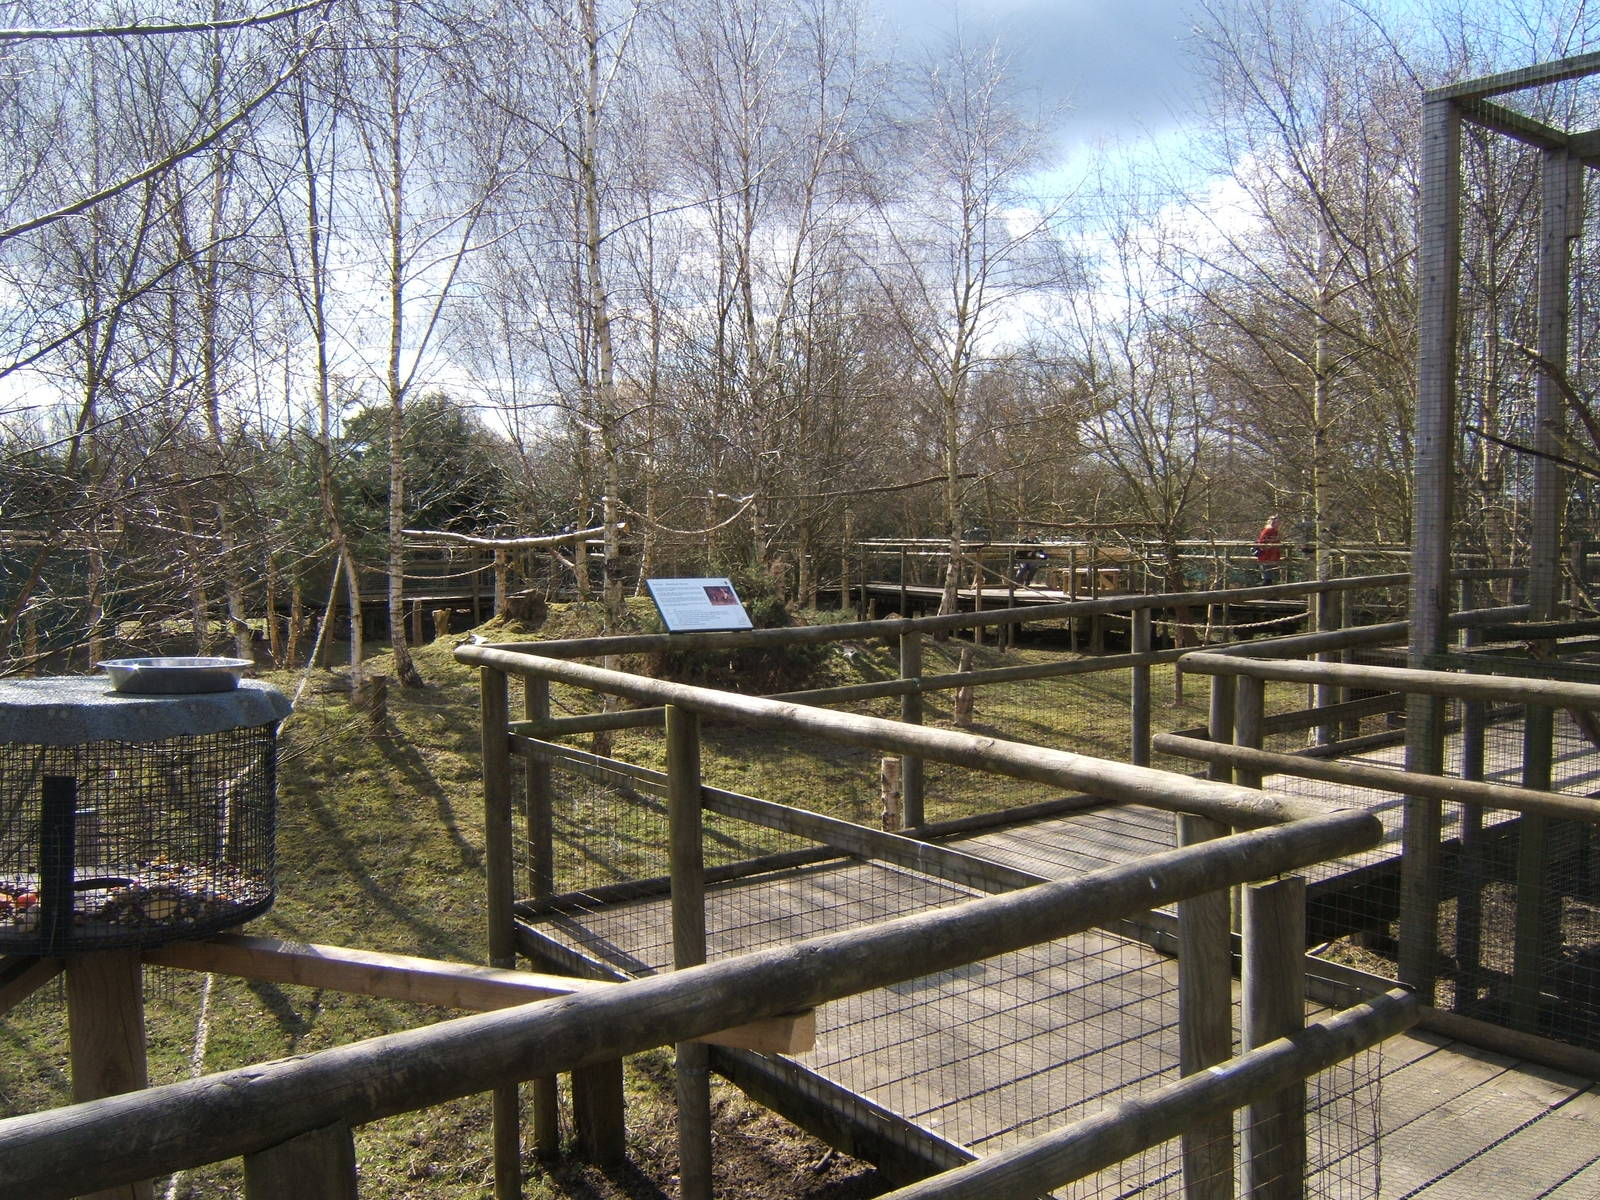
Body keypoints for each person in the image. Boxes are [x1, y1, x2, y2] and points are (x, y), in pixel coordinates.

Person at [1254, 514, 1283, 584]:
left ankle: (1268, 583)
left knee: (1268, 569)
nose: (1278, 524)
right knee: (1266, 569)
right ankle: (1266, 583)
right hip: (1266, 553)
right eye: (1277, 522)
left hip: (1271, 553)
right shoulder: (1268, 530)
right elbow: (1262, 541)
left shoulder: (1274, 531)